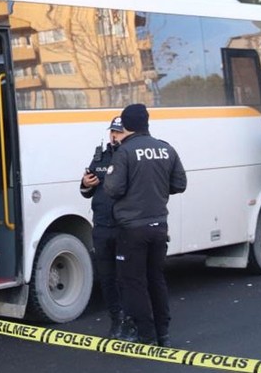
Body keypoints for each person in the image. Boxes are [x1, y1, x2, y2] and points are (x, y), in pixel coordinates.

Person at [103, 103, 187, 347]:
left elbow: (113, 188)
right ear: (146, 123)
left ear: (126, 125)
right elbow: (179, 184)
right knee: (156, 279)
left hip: (132, 229)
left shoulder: (125, 152)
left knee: (134, 283)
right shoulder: (165, 148)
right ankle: (163, 334)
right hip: (159, 225)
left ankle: (146, 336)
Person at [80, 116, 125, 337]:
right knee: (106, 278)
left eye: (118, 132)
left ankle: (131, 320)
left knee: (126, 277)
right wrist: (85, 184)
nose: (114, 136)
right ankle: (116, 320)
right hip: (102, 226)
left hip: (124, 227)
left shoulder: (129, 156)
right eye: (112, 132)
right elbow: (86, 190)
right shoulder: (101, 155)